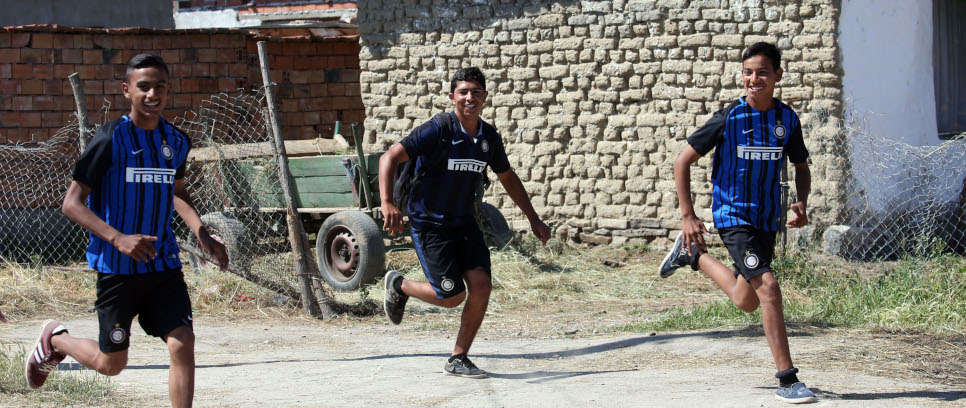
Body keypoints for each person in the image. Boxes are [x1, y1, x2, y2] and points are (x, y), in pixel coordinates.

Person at [26, 54, 228, 408]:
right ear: (126, 90)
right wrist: (117, 238)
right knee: (111, 364)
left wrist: (201, 231)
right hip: (117, 270)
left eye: (160, 86)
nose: (153, 94)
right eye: (144, 86)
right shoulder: (111, 139)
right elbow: (71, 203)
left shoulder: (176, 142)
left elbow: (176, 191)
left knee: (183, 341)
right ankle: (56, 340)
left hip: (163, 265)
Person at [659, 42, 817, 404]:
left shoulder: (787, 120)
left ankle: (694, 258)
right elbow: (682, 161)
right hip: (733, 217)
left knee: (747, 300)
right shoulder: (729, 117)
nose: (753, 79)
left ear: (778, 75)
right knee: (770, 289)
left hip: (766, 220)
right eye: (747, 72)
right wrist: (688, 216)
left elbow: (801, 166)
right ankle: (788, 379)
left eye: (762, 72)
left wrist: (801, 202)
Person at [378, 67, 551, 378]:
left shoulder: (488, 137)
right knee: (452, 296)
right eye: (463, 92)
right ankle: (400, 285)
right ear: (452, 97)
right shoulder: (438, 129)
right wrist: (388, 202)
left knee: (482, 286)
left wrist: (533, 217)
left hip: (465, 221)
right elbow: (389, 157)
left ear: (485, 97)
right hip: (430, 223)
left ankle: (458, 358)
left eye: (476, 92)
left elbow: (508, 177)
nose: (470, 98)